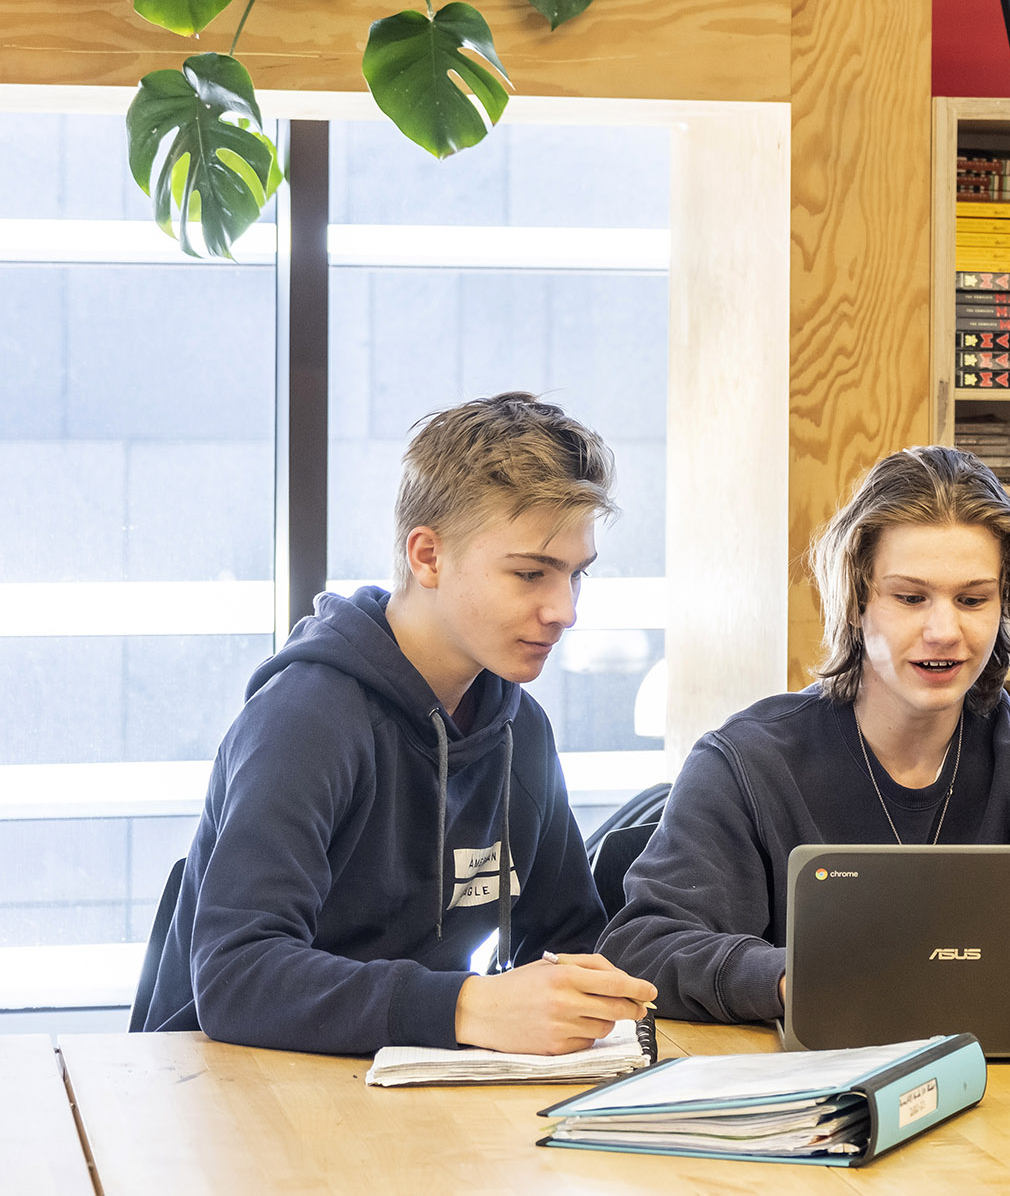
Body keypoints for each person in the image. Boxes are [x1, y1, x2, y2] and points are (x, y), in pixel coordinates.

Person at [599, 445, 1010, 1021]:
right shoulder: (747, 762)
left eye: (973, 600)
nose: (944, 632)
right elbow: (644, 946)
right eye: (910, 598)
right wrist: (791, 977)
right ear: (856, 601)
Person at [140, 393, 656, 1054]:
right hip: (229, 1093)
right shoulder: (304, 720)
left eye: (576, 577)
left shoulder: (518, 730)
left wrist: (588, 991)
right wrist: (466, 1006)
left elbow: (567, 937)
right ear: (427, 555)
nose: (564, 609)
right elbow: (238, 976)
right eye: (531, 573)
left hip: (408, 1094)